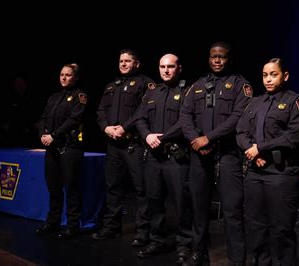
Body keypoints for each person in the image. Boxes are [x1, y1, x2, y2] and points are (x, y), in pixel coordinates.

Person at [180, 41, 252, 265]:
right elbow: (185, 114)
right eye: (213, 56)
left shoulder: (241, 85)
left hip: (227, 156)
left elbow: (237, 118)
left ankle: (237, 259)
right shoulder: (198, 85)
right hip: (199, 155)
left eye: (221, 56)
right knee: (199, 208)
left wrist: (208, 138)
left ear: (229, 59)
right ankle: (199, 251)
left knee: (232, 211)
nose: (217, 60)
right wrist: (195, 139)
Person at [236, 58, 299, 265]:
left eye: (273, 74)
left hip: (280, 172)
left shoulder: (296, 102)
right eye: (265, 75)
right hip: (255, 172)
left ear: (285, 76)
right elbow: (241, 131)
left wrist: (260, 148)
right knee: (255, 225)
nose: (268, 79)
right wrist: (253, 152)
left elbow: (292, 137)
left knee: (281, 227)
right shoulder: (254, 102)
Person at [93, 49, 154, 245]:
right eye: (121, 61)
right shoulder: (112, 85)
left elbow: (143, 111)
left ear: (137, 63)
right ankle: (112, 227)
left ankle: (143, 231)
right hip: (113, 143)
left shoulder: (146, 83)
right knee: (113, 186)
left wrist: (124, 128)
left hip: (134, 143)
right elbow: (101, 110)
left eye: (128, 61)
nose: (124, 64)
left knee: (141, 188)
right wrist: (106, 128)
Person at [136, 53, 193, 264]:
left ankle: (184, 244)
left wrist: (163, 137)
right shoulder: (152, 93)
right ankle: (157, 240)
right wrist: (147, 135)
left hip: (176, 156)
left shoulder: (188, 92)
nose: (166, 70)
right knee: (154, 199)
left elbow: (186, 121)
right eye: (162, 66)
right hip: (153, 155)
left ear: (179, 68)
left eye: (170, 66)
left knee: (182, 202)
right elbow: (141, 118)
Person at [35, 63, 87, 240]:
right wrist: (43, 133)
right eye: (61, 74)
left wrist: (54, 135)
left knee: (71, 188)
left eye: (68, 75)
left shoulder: (80, 97)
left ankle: (73, 225)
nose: (64, 78)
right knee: (53, 188)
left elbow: (74, 120)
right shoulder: (54, 97)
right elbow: (42, 118)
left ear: (75, 77)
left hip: (70, 148)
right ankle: (53, 221)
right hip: (52, 149)